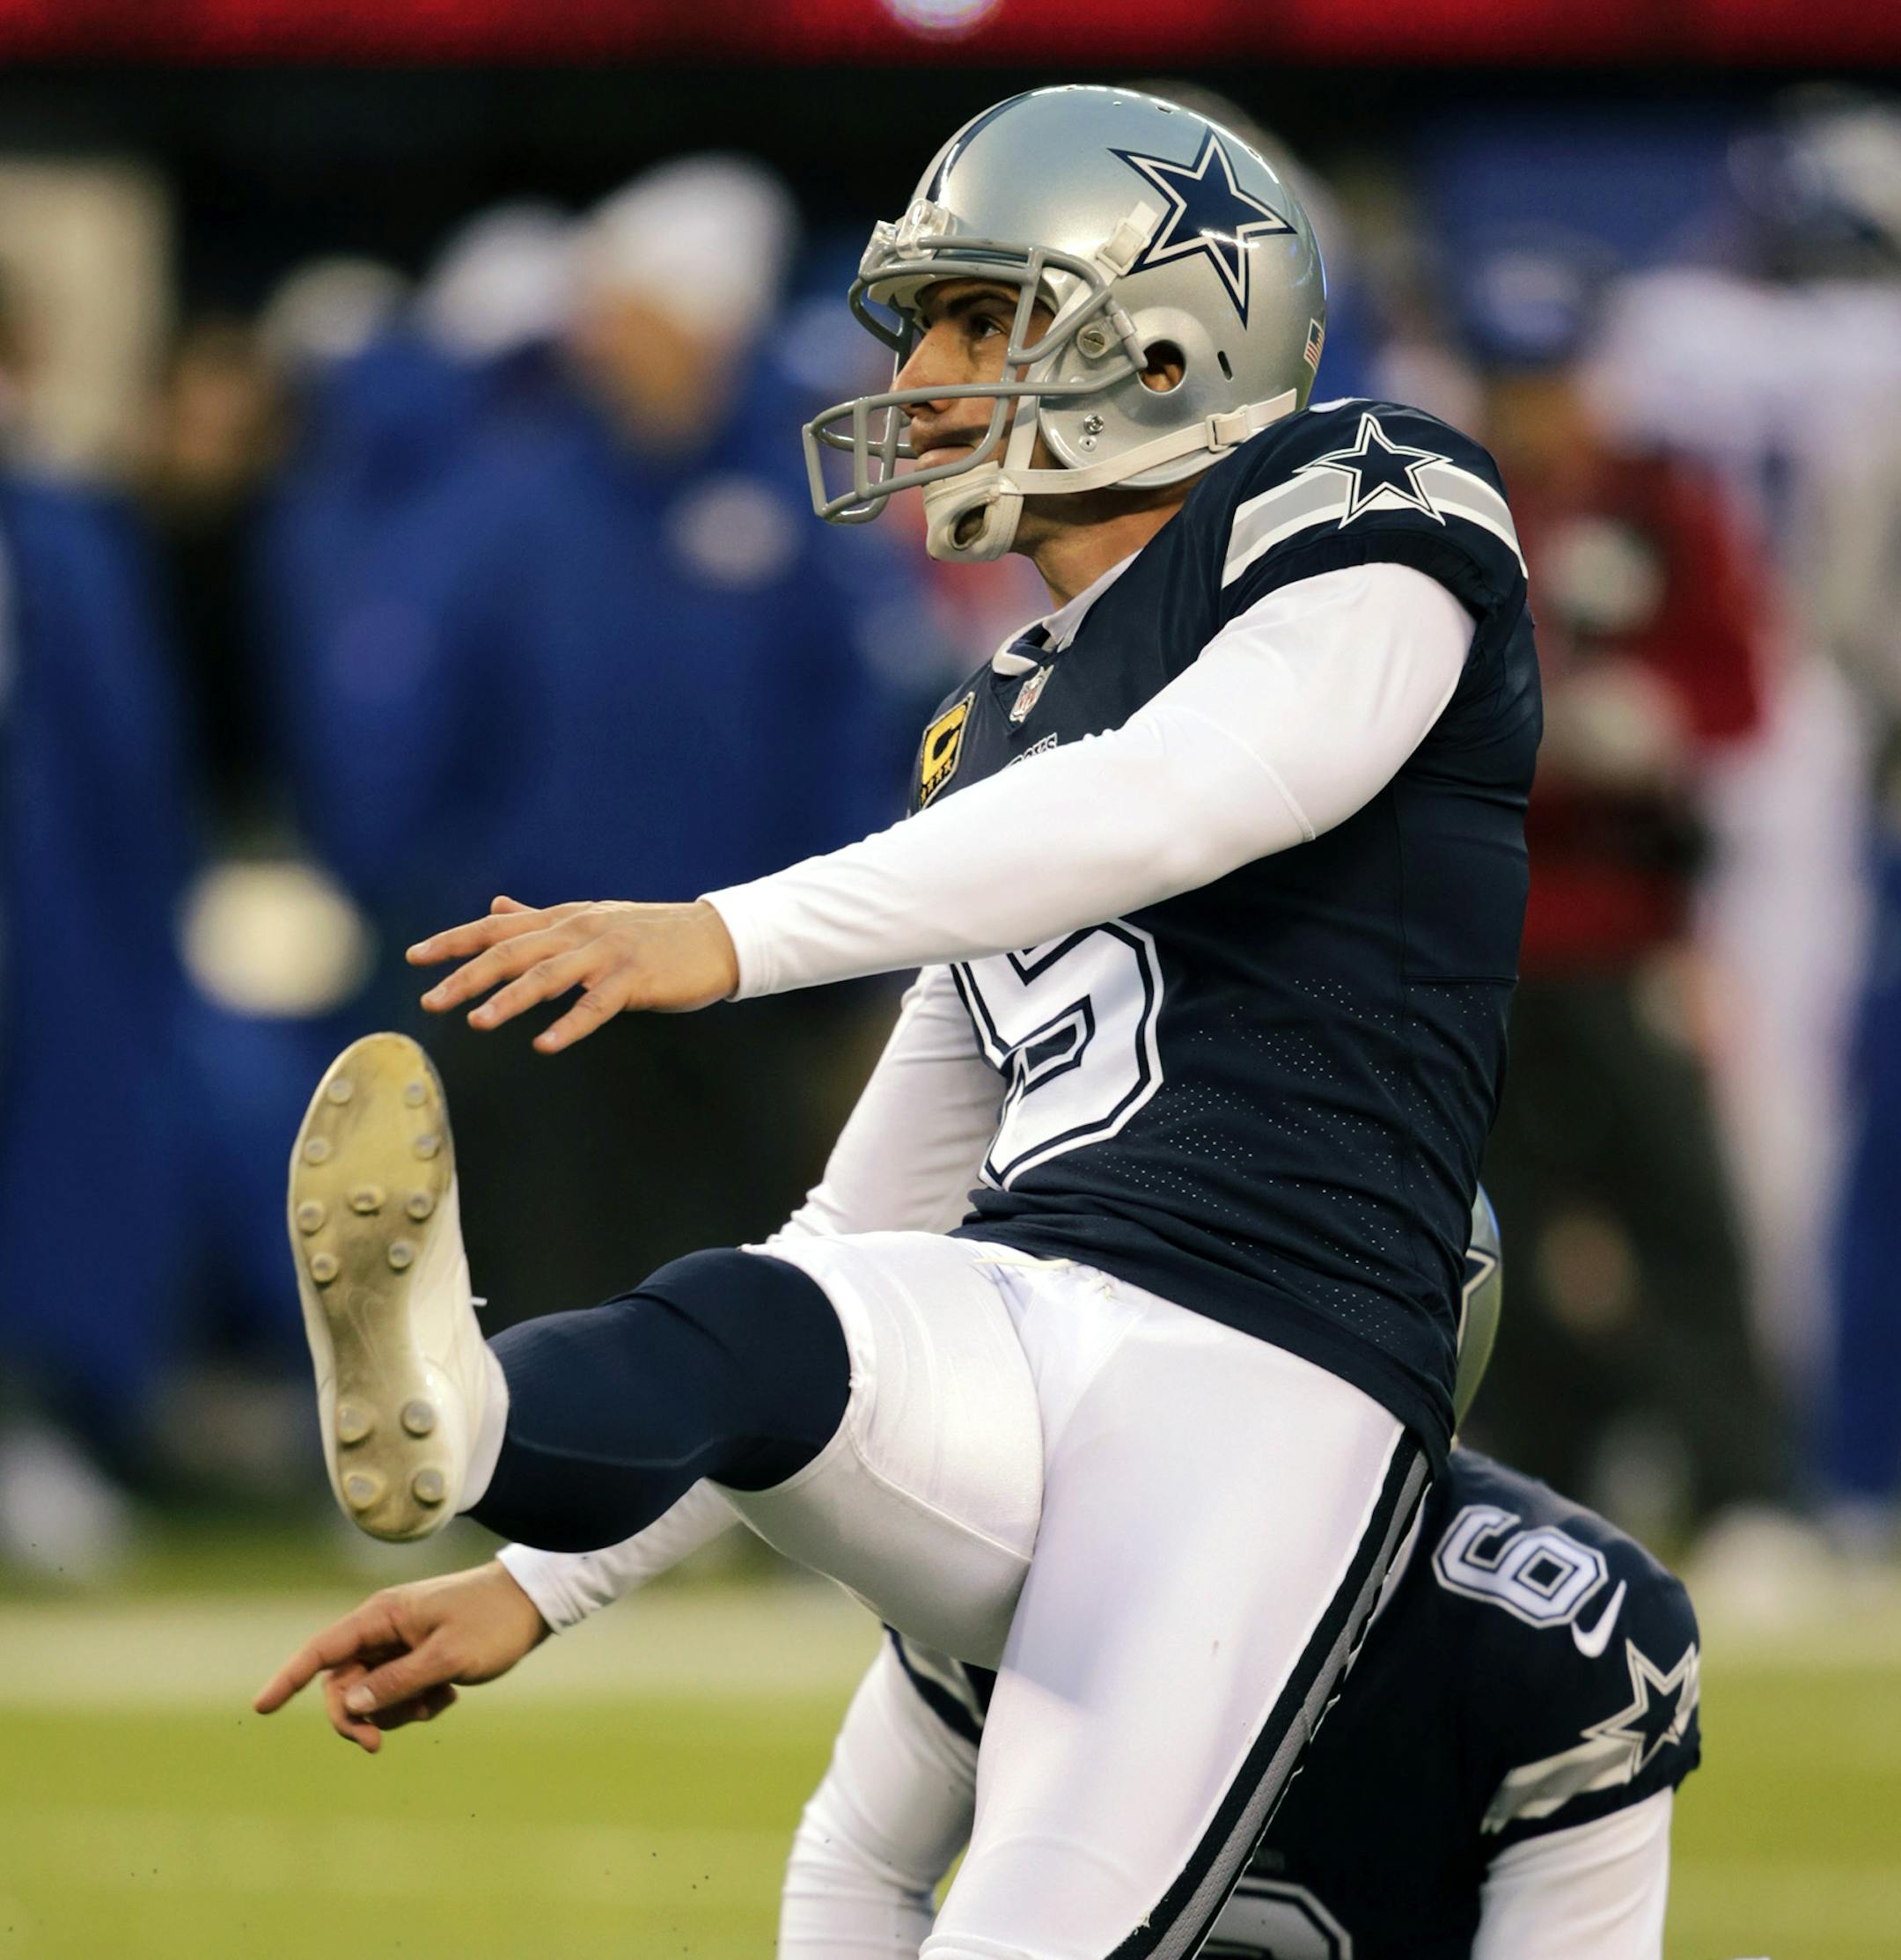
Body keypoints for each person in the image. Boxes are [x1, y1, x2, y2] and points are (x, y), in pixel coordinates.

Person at [258, 86, 1540, 1960]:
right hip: (1031, 1316)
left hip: (1273, 1373)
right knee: (769, 1314)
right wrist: (539, 1586)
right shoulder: (1000, 710)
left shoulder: (1374, 505)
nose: (923, 374)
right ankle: (475, 1404)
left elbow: (1189, 791)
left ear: (1173, 327)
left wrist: (723, 930)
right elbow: (868, 1215)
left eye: (977, 319)